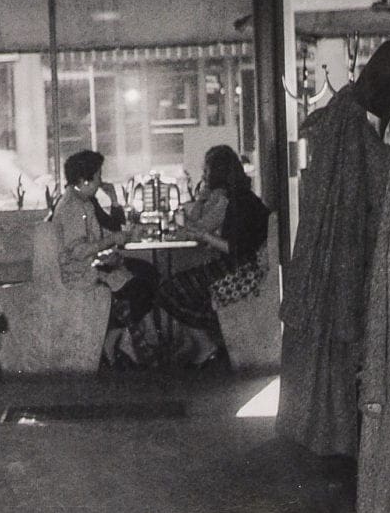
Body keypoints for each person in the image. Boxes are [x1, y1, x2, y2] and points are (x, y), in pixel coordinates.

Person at [156, 145, 269, 367]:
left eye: (206, 170)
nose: (204, 175)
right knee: (179, 284)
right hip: (242, 266)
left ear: (217, 172)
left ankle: (206, 345)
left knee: (168, 291)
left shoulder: (236, 202)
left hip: (242, 271)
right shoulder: (242, 198)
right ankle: (202, 344)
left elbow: (235, 248)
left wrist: (204, 236)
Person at [53, 149, 159, 367]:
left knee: (142, 279)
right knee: (141, 288)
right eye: (98, 175)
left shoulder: (82, 202)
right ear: (84, 180)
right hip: (78, 274)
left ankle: (121, 341)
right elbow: (78, 251)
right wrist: (112, 242)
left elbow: (95, 237)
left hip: (86, 266)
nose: (101, 181)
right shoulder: (73, 207)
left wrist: (110, 249)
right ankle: (116, 341)